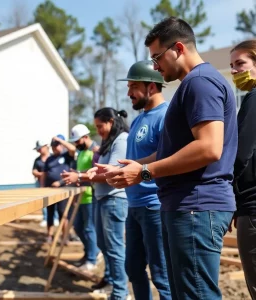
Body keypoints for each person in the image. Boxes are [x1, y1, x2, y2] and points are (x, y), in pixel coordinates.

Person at [93, 17, 238, 300]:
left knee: (196, 294)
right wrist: (132, 166)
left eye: (157, 57)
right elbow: (173, 151)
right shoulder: (192, 85)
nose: (156, 66)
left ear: (179, 48)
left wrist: (145, 172)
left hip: (196, 206)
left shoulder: (200, 83)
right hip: (187, 205)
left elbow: (209, 148)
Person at [63, 109, 130, 300]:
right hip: (103, 199)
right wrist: (89, 173)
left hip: (115, 199)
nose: (98, 130)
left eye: (100, 126)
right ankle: (110, 280)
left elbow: (114, 173)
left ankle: (120, 292)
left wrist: (82, 175)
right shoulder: (108, 142)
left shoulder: (121, 140)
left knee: (115, 247)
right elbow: (102, 169)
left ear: (111, 122)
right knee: (104, 244)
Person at [117, 61, 171, 300]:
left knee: (161, 275)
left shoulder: (167, 115)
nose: (129, 93)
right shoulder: (139, 120)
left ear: (151, 86)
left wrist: (139, 169)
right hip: (135, 204)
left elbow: (170, 154)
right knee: (134, 268)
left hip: (154, 205)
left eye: (134, 86)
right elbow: (132, 162)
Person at [230, 40, 256, 300]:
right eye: (232, 66)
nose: (235, 71)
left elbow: (241, 156)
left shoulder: (253, 99)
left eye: (241, 63)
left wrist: (231, 199)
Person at [60, 124, 100, 271]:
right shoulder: (82, 152)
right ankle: (90, 252)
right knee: (78, 227)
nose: (76, 144)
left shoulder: (95, 152)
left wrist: (79, 174)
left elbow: (94, 173)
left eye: (77, 141)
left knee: (89, 229)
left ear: (85, 137)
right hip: (80, 197)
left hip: (90, 196)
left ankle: (91, 259)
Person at [40, 135, 75, 243]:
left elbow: (73, 149)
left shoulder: (67, 155)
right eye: (53, 146)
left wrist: (60, 140)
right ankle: (49, 235)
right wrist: (42, 187)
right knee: (50, 213)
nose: (55, 148)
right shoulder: (49, 159)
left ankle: (64, 236)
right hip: (50, 189)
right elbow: (44, 174)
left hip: (63, 189)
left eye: (57, 145)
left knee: (62, 213)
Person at [32, 140, 57, 227]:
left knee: (55, 200)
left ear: (46, 147)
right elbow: (34, 171)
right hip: (41, 183)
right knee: (44, 202)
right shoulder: (37, 160)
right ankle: (46, 218)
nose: (38, 151)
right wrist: (41, 174)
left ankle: (55, 218)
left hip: (52, 183)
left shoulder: (53, 157)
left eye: (40, 149)